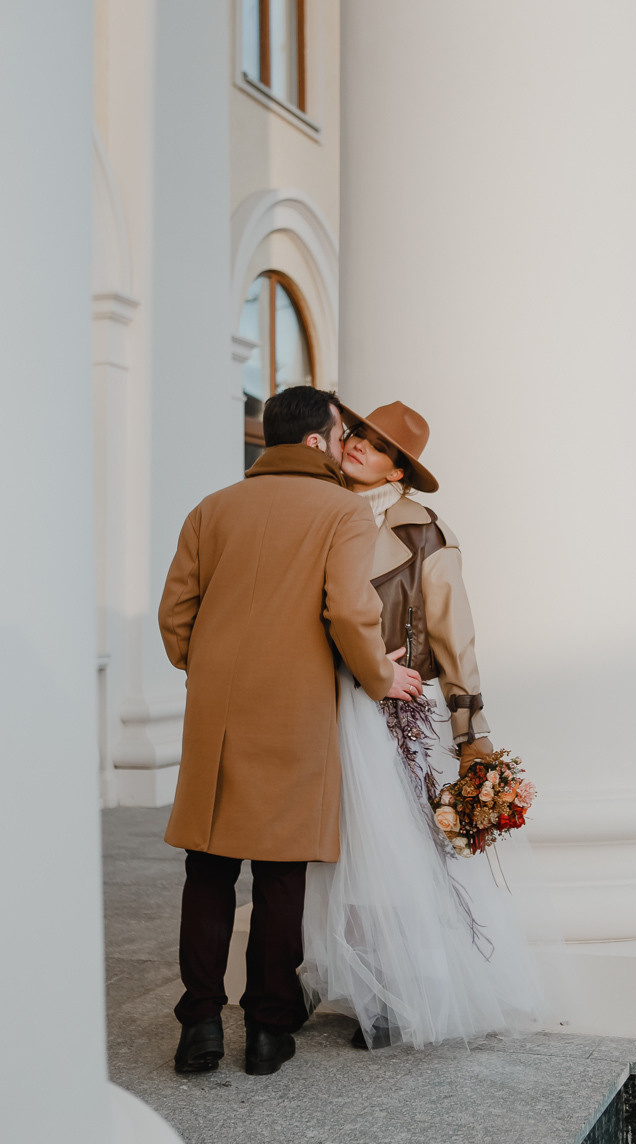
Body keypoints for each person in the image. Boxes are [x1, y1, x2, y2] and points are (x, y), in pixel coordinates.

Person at [158, 386, 422, 1078]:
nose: (343, 447)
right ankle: (268, 1031)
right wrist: (379, 676)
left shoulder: (211, 507)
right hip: (296, 705)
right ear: (314, 442)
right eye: (338, 436)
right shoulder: (341, 511)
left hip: (216, 709)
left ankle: (199, 1027)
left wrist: (206, 665)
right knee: (281, 872)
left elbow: (175, 615)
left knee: (207, 868)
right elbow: (349, 611)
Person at [300, 401, 544, 1049]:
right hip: (314, 701)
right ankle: (331, 978)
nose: (359, 445)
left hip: (388, 712)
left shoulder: (424, 533)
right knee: (325, 852)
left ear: (398, 471)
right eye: (357, 433)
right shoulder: (316, 509)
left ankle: (394, 993)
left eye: (379, 446)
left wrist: (470, 732)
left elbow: (454, 634)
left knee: (390, 854)